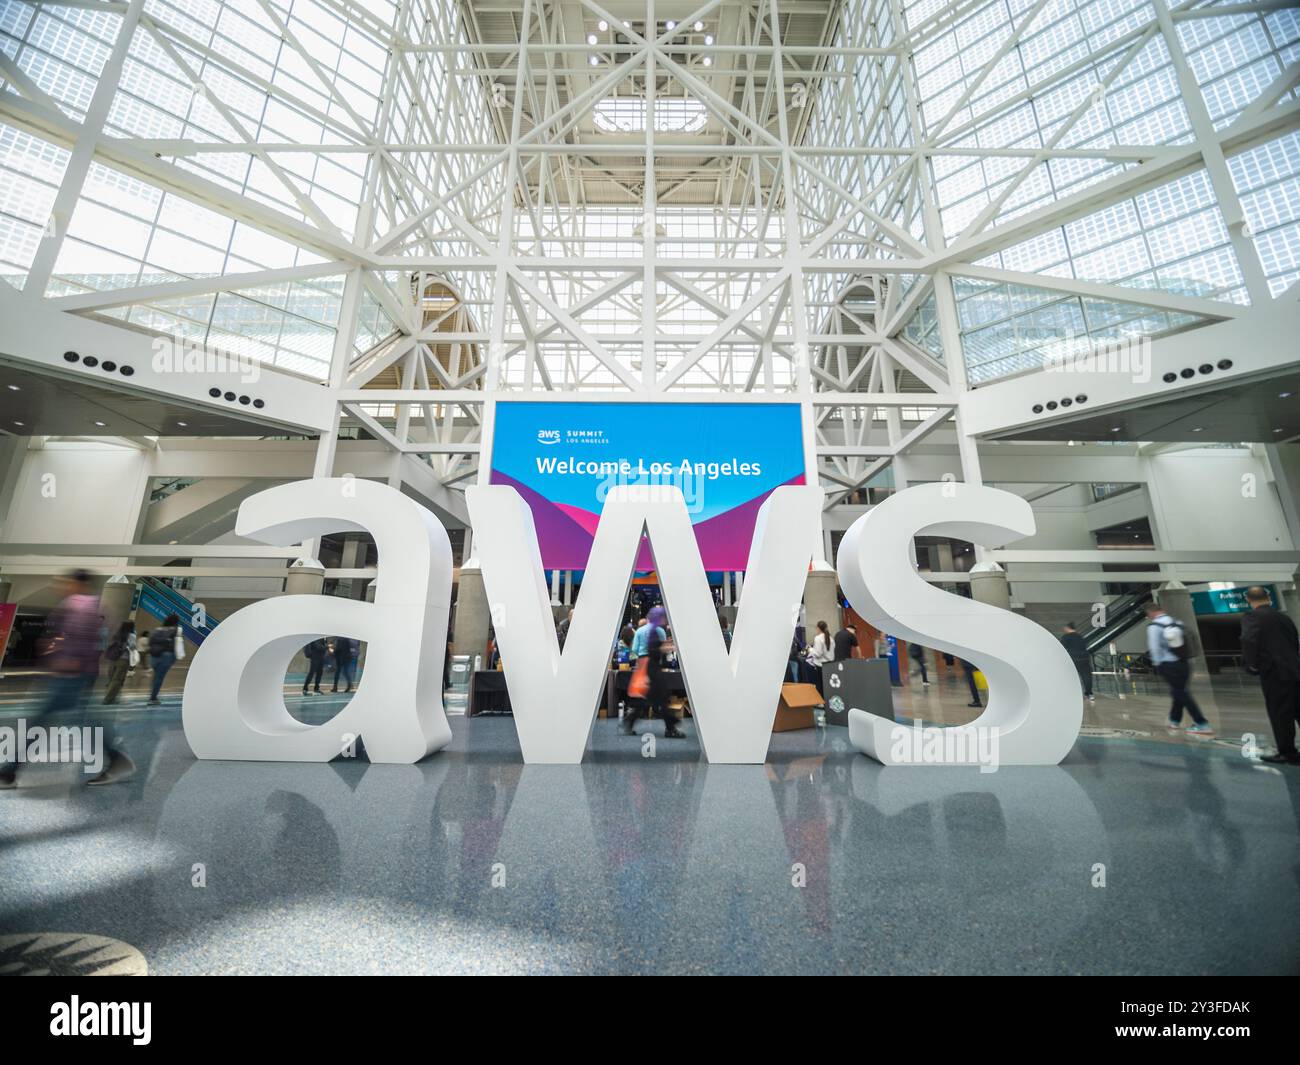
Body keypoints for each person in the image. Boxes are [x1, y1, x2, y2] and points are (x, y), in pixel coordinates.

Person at [1, 570, 132, 788]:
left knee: (41, 720)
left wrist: (68, 661)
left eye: (65, 582)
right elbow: (98, 638)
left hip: (71, 676)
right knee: (81, 721)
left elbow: (77, 639)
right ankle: (117, 760)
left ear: (76, 583)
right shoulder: (96, 605)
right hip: (81, 674)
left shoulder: (77, 605)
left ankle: (8, 771)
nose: (61, 586)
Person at [1239, 586, 1300, 765]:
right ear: (1268, 598)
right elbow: (1294, 642)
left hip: (1275, 673)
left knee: (1280, 713)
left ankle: (1287, 752)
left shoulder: (1252, 617)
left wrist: (1252, 665)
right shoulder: (1284, 617)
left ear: (1249, 600)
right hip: (1295, 670)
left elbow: (1249, 641)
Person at [1145, 603, 1214, 736]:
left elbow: (1155, 648)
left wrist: (1157, 664)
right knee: (1179, 691)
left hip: (1169, 664)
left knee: (1181, 693)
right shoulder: (1176, 622)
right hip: (1185, 662)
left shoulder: (1154, 627)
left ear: (1150, 614)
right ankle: (1174, 721)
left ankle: (1202, 723)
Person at [621, 605, 684, 739]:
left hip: (642, 664)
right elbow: (655, 650)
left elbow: (636, 650)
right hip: (652, 667)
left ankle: (629, 722)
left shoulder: (639, 631)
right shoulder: (658, 631)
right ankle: (670, 727)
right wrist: (669, 647)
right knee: (659, 697)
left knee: (645, 697)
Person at [148, 614, 181, 704]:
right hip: (166, 656)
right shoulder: (175, 630)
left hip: (153, 656)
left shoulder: (156, 630)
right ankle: (153, 698)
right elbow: (177, 644)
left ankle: (152, 695)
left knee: (156, 676)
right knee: (159, 677)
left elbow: (150, 642)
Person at [102, 620, 135, 704]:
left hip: (113, 658)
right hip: (123, 659)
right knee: (117, 680)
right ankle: (108, 699)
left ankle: (110, 696)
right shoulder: (131, 635)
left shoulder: (117, 634)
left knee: (112, 678)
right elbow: (132, 648)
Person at [1059, 623, 1094, 702]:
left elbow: (1062, 648)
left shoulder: (1066, 637)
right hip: (1084, 658)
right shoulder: (1081, 636)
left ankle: (1072, 694)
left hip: (1073, 659)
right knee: (1086, 677)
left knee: (1070, 677)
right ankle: (1089, 694)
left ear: (1068, 628)